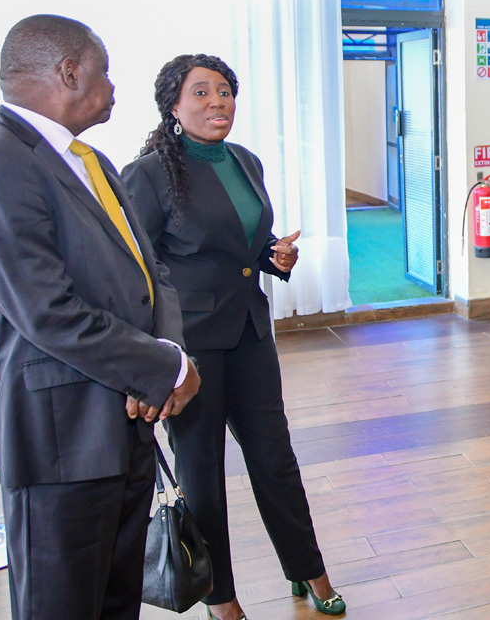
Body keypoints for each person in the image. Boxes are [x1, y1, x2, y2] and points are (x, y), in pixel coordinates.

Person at [0, 14, 201, 619]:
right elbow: (47, 311)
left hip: (128, 423)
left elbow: (150, 274)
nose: (111, 88)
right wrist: (161, 368)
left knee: (116, 603)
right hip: (61, 438)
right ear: (69, 72)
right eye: (104, 73)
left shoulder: (92, 162)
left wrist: (162, 364)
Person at [121, 54, 344, 619]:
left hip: (249, 333)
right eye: (201, 93)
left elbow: (245, 244)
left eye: (225, 91)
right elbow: (135, 270)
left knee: (276, 459)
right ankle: (221, 599)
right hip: (188, 348)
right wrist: (146, 360)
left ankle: (308, 570)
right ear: (173, 104)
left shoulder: (244, 160)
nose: (217, 102)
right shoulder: (147, 174)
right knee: (203, 474)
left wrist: (277, 256)